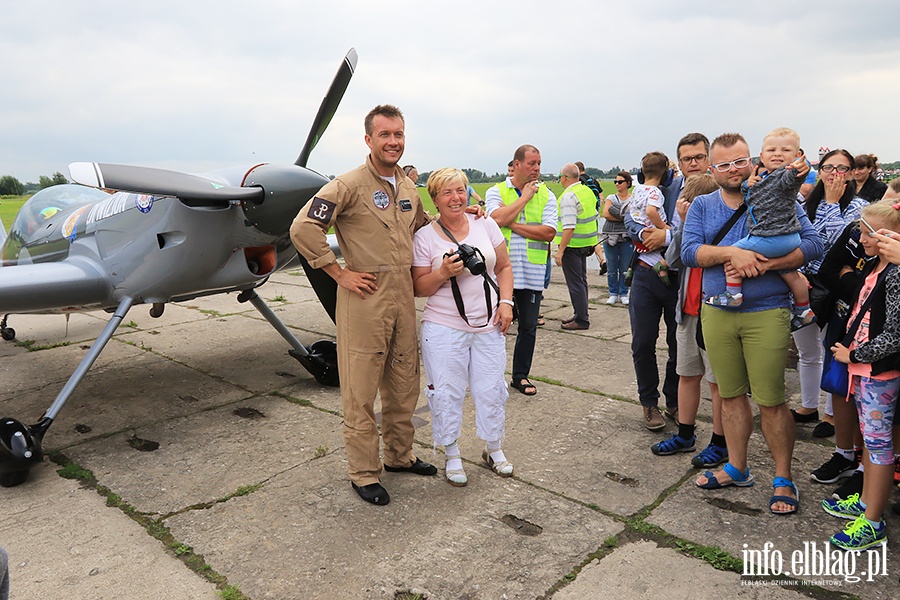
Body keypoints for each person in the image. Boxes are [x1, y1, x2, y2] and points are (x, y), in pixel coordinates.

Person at [291, 104, 437, 506]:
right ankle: (363, 472)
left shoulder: (408, 188)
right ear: (369, 139)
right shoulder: (347, 185)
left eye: (399, 135)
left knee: (404, 382)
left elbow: (423, 229)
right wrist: (338, 273)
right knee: (360, 391)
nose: (393, 142)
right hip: (365, 299)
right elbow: (303, 227)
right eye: (385, 135)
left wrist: (460, 218)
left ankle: (400, 456)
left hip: (403, 297)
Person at [682, 132, 823, 515]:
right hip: (718, 311)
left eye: (740, 161)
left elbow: (813, 244)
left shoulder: (777, 192)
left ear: (752, 160)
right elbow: (689, 251)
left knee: (772, 401)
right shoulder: (703, 205)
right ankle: (737, 467)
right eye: (724, 164)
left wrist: (768, 264)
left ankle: (783, 477)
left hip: (768, 311)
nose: (733, 170)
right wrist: (731, 253)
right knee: (729, 396)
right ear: (713, 168)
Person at [412, 168, 515, 486]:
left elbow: (504, 265)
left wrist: (507, 302)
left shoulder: (484, 222)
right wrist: (443, 272)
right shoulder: (424, 237)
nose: (456, 198)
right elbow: (418, 287)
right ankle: (452, 454)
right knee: (446, 392)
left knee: (491, 388)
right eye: (447, 192)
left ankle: (494, 448)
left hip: (488, 323)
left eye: (460, 190)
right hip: (444, 328)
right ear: (435, 198)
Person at [821, 199, 900, 550]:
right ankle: (867, 501)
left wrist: (854, 353)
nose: (862, 238)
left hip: (878, 373)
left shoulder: (895, 275)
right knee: (870, 441)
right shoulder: (875, 268)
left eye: (869, 232)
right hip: (864, 370)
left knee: (880, 446)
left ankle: (873, 522)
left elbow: (894, 336)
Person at [624, 132, 710, 430]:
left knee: (680, 344)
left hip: (682, 279)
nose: (694, 163)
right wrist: (645, 236)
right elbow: (629, 215)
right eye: (687, 158)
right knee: (643, 342)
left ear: (708, 158)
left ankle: (675, 401)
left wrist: (668, 236)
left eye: (699, 157)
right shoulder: (664, 186)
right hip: (647, 273)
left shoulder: (713, 189)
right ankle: (649, 403)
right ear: (679, 163)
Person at [652, 173, 729, 469]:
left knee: (717, 383)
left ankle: (720, 442)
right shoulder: (688, 229)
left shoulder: (722, 230)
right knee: (687, 374)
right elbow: (672, 259)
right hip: (688, 312)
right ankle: (685, 433)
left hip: (715, 313)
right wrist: (683, 225)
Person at [704, 128, 814, 332]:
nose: (778, 154)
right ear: (761, 156)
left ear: (797, 155)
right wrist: (749, 184)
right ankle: (804, 310)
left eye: (786, 150)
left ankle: (733, 295)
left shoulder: (784, 175)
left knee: (734, 253)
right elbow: (689, 253)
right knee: (790, 274)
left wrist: (799, 170)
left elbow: (791, 179)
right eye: (772, 150)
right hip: (788, 238)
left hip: (772, 237)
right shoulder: (767, 179)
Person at [486, 145, 558, 396]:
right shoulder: (497, 191)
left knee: (528, 327)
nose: (537, 168)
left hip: (532, 273)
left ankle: (520, 376)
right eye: (531, 163)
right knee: (494, 328)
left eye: (539, 163)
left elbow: (548, 232)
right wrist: (524, 197)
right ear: (516, 164)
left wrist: (511, 222)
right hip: (499, 273)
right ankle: (491, 377)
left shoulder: (547, 194)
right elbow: (494, 219)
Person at [555, 163, 600, 330]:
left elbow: (569, 226)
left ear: (565, 178)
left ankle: (581, 319)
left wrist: (560, 251)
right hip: (586, 242)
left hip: (572, 245)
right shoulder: (586, 191)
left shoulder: (569, 196)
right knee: (582, 281)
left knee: (575, 284)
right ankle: (580, 313)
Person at [628, 151, 672, 285]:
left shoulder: (637, 189)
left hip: (638, 229)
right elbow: (651, 211)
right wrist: (663, 227)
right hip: (652, 229)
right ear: (665, 174)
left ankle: (630, 268)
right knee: (669, 245)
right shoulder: (655, 192)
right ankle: (661, 269)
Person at [601, 171, 634, 304]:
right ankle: (613, 292)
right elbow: (606, 214)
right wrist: (625, 215)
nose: (617, 184)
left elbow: (634, 215)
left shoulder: (633, 198)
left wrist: (615, 210)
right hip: (610, 236)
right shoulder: (611, 197)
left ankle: (624, 292)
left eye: (620, 182)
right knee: (612, 266)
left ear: (628, 183)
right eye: (615, 181)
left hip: (627, 237)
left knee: (625, 267)